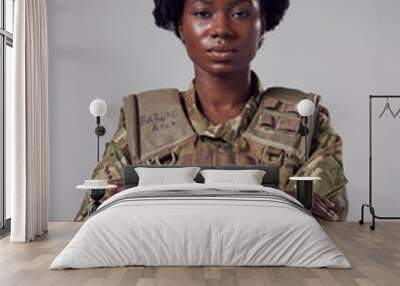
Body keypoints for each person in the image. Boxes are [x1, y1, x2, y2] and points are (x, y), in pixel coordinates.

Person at [75, 0, 348, 222]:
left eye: (240, 13)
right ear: (181, 26)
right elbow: (92, 213)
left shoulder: (306, 119)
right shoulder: (141, 122)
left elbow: (330, 217)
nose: (221, 29)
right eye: (203, 13)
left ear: (262, 24)